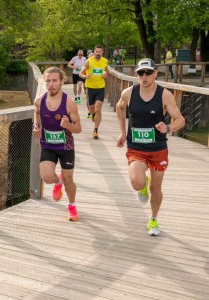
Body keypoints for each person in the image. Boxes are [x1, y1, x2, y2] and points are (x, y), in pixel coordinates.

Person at [115, 58, 185, 236]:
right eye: (140, 73)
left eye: (148, 73)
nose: (144, 76)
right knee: (137, 183)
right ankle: (143, 185)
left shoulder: (165, 95)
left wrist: (168, 127)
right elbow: (119, 107)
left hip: (158, 149)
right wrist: (122, 132)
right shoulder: (129, 93)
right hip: (136, 147)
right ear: (137, 74)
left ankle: (153, 218)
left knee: (156, 188)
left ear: (155, 74)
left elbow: (180, 120)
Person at [33, 66, 82, 221]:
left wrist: (68, 126)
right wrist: (36, 125)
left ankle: (72, 205)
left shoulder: (69, 103)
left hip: (65, 147)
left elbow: (78, 128)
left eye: (55, 81)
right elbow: (37, 113)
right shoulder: (39, 101)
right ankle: (57, 180)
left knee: (69, 180)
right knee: (47, 177)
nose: (51, 84)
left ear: (62, 81)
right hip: (47, 145)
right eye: (48, 81)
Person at [79, 44, 108, 139]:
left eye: (100, 52)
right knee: (92, 109)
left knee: (98, 108)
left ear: (102, 52)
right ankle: (93, 114)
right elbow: (81, 73)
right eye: (97, 51)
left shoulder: (105, 61)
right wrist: (85, 76)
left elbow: (106, 72)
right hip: (90, 88)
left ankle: (95, 130)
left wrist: (105, 74)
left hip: (100, 88)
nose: (98, 53)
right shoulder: (89, 61)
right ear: (94, 52)